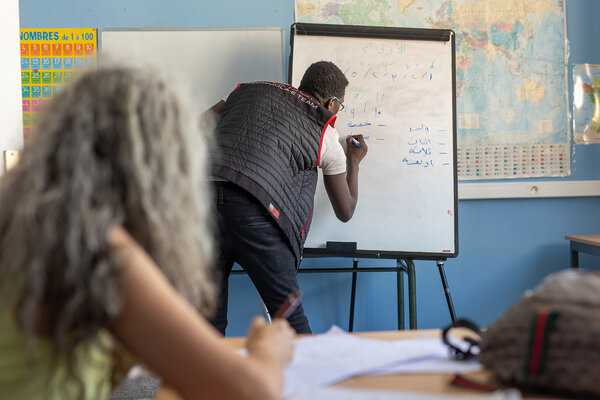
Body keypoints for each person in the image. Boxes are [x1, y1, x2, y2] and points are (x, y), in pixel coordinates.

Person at [0, 67, 294, 400]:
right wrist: (267, 350)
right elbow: (253, 391)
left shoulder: (17, 215)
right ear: (158, 171)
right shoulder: (98, 250)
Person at [210, 61, 368, 335]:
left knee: (207, 320)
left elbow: (200, 122)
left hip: (205, 204)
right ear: (331, 104)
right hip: (256, 212)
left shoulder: (245, 92)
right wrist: (354, 162)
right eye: (339, 106)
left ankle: (207, 378)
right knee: (290, 320)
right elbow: (346, 210)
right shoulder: (325, 135)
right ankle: (309, 378)